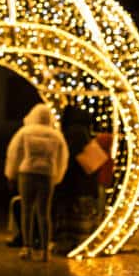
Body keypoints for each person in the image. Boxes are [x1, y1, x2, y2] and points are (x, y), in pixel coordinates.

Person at [4, 103, 68, 261]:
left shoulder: (24, 132)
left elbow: (15, 154)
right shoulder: (56, 135)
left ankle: (27, 247)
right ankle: (45, 250)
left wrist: (11, 174)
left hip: (27, 172)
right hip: (47, 174)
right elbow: (62, 158)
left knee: (27, 210)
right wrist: (57, 176)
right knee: (44, 212)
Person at [53, 106, 105, 255]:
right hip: (87, 184)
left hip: (76, 185)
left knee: (72, 217)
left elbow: (69, 160)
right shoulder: (84, 132)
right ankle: (82, 243)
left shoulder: (74, 133)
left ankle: (71, 245)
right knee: (84, 215)